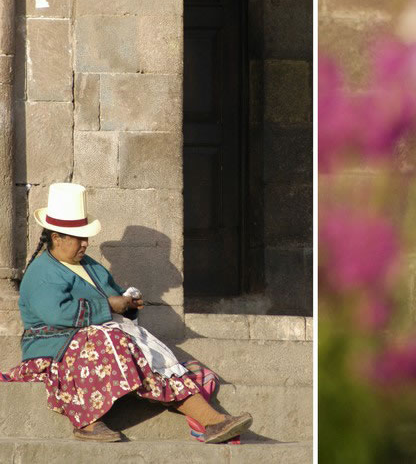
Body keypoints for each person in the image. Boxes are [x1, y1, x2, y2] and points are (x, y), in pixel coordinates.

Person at [0, 182, 253, 443]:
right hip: (53, 350)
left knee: (147, 351)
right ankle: (87, 422)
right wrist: (109, 306)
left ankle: (212, 421)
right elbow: (58, 314)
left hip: (95, 343)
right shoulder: (41, 273)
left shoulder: (91, 267)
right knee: (110, 342)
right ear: (57, 238)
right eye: (80, 238)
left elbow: (113, 295)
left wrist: (128, 304)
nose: (85, 244)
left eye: (87, 237)